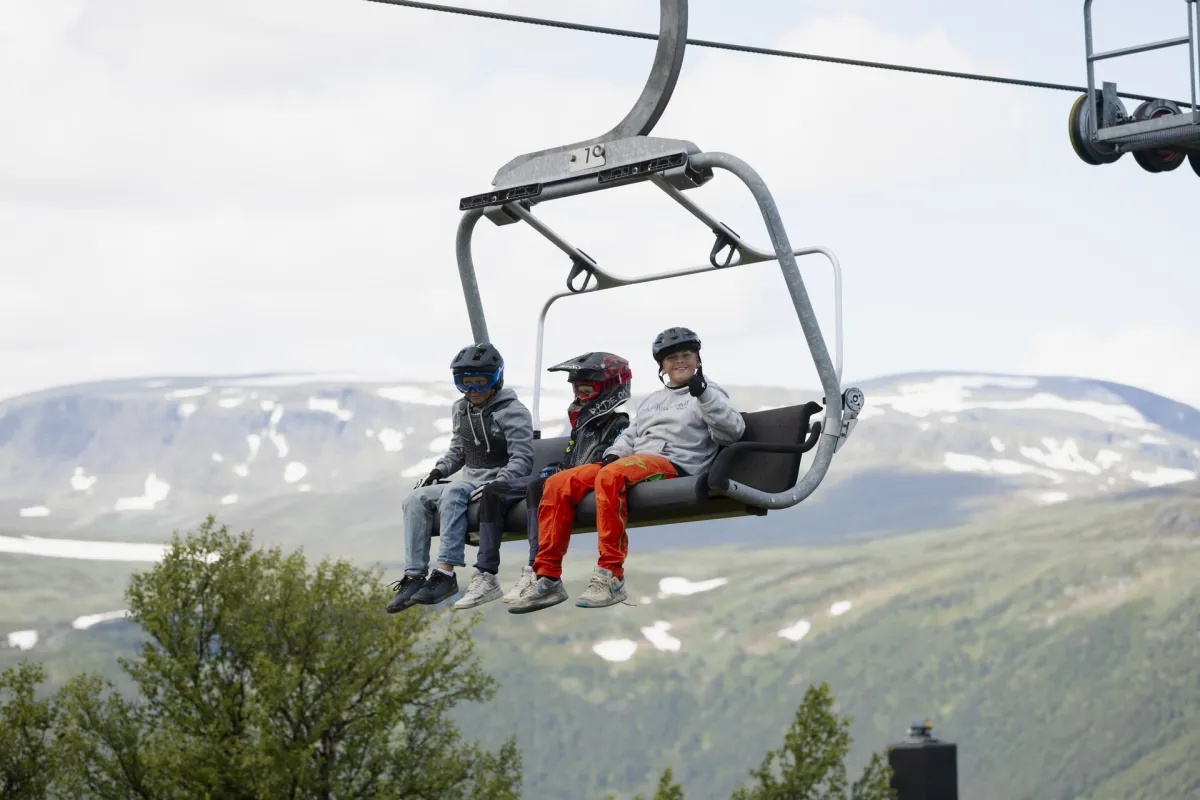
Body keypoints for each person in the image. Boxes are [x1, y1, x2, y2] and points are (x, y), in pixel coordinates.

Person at [508, 326, 745, 615]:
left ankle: (611, 574)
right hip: (635, 461)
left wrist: (705, 396)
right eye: (672, 358)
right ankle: (547, 577)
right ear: (662, 366)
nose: (680, 361)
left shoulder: (709, 392)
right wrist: (613, 454)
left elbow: (732, 432)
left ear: (697, 359)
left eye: (687, 355)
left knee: (611, 476)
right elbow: (631, 435)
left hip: (676, 463)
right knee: (558, 483)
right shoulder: (654, 400)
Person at [450, 352, 634, 611]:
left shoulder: (619, 422)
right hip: (566, 476)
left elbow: (600, 461)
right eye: (576, 388)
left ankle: (537, 571)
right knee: (495, 491)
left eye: (586, 388)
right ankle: (486, 574)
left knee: (540, 486)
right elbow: (574, 456)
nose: (579, 394)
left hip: (584, 481)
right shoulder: (581, 420)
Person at [385, 342, 534, 613]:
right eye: (465, 384)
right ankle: (414, 577)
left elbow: (522, 459)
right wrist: (438, 471)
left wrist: (499, 483)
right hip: (469, 481)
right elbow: (458, 450)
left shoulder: (513, 412)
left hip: (497, 484)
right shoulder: (461, 409)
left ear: (496, 379)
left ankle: (445, 574)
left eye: (481, 383)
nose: (472, 391)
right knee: (415, 499)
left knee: (454, 493)